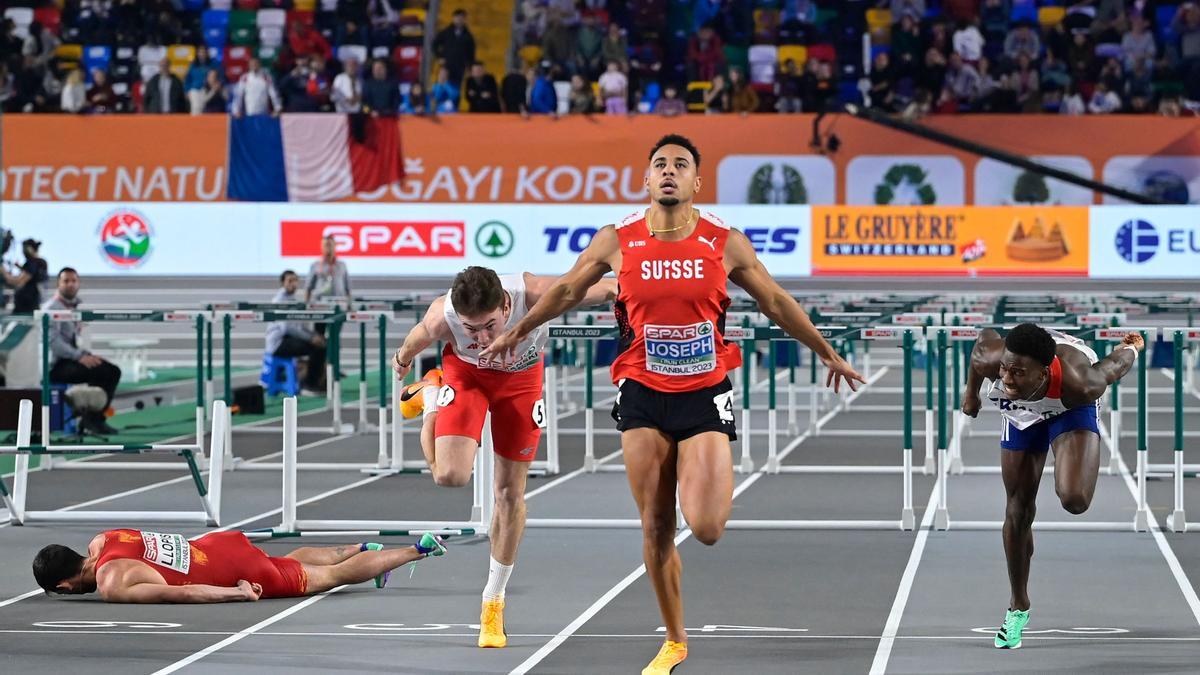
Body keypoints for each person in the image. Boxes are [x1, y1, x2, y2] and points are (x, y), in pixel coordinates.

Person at [479, 135, 864, 674]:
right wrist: (517, 330)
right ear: (645, 179)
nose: (669, 171)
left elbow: (774, 300)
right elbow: (566, 290)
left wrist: (827, 352)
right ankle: (675, 640)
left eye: (680, 165)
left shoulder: (723, 241)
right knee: (656, 526)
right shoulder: (618, 239)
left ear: (695, 183)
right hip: (640, 392)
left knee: (705, 527)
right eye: (659, 164)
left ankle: (698, 476)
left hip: (704, 393)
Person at [390, 266, 616, 649]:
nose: (483, 337)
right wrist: (402, 359)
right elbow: (416, 339)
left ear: (505, 304)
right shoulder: (442, 315)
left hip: (522, 381)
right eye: (471, 329)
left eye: (490, 326)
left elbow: (603, 289)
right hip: (467, 376)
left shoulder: (535, 293)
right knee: (449, 476)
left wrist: (632, 291)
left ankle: (492, 603)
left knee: (509, 495)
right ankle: (431, 397)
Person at [961, 323, 1144, 650]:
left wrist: (1130, 348)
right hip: (1020, 413)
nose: (1005, 378)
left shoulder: (1081, 384)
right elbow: (980, 349)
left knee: (1075, 499)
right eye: (1004, 368)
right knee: (1017, 508)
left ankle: (1066, 456)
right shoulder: (996, 361)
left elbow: (1113, 368)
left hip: (1068, 409)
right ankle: (1018, 607)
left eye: (1017, 372)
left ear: (1043, 372)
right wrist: (970, 395)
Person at [33, 529, 446, 602]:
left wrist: (238, 592)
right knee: (287, 559)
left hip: (232, 573)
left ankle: (418, 550)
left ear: (66, 586)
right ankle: (364, 547)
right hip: (218, 546)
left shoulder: (113, 584)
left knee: (326, 579)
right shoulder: (103, 540)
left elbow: (187, 592)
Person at [43, 268, 122, 435]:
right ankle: (92, 420)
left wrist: (86, 355)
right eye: (66, 281)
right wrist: (79, 356)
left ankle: (94, 418)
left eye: (74, 281)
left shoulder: (73, 307)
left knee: (111, 370)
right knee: (101, 372)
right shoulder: (52, 308)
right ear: (58, 284)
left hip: (69, 359)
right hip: (53, 366)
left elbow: (71, 340)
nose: (70, 284)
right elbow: (53, 343)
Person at [267, 270, 327, 393]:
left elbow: (299, 326)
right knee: (316, 348)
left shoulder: (293, 299)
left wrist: (315, 335)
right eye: (289, 281)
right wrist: (310, 339)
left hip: (289, 338)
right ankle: (309, 385)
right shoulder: (279, 301)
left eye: (295, 280)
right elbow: (287, 328)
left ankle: (318, 380)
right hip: (279, 343)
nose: (293, 283)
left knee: (323, 343)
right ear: (282, 283)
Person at [4, 238, 48, 314]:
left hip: (25, 306)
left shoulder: (32, 263)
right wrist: (19, 267)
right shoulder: (41, 262)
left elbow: (19, 281)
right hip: (32, 305)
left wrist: (3, 272)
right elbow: (32, 275)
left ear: (29, 248)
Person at [305, 235, 351, 305]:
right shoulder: (315, 265)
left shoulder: (342, 265)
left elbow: (348, 288)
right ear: (321, 247)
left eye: (330, 245)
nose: (328, 247)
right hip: (320, 304)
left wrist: (349, 305)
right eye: (325, 245)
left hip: (340, 303)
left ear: (335, 246)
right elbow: (308, 288)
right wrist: (306, 306)